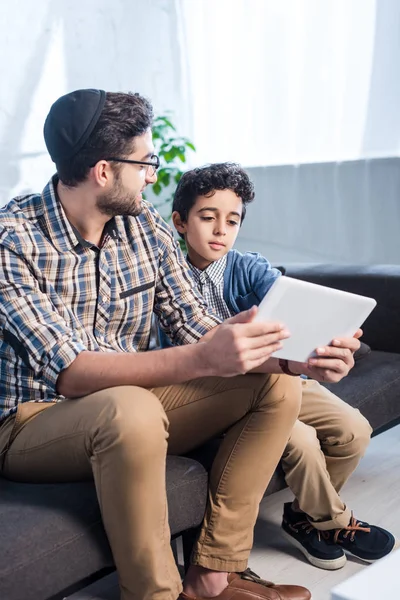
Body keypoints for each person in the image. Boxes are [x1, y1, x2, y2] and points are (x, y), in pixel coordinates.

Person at [0, 89, 317, 600]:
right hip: (32, 420)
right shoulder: (11, 238)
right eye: (146, 162)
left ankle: (210, 576)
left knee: (275, 385)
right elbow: (71, 371)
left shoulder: (143, 225)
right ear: (104, 171)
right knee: (129, 408)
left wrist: (293, 355)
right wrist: (200, 358)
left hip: (129, 403)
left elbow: (194, 322)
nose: (153, 175)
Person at [167, 161, 397, 571]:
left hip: (274, 375)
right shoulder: (166, 275)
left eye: (232, 220)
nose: (221, 230)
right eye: (208, 217)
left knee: (354, 431)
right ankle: (336, 522)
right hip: (216, 391)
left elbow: (288, 299)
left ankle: (303, 519)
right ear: (180, 222)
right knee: (303, 442)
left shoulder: (246, 266)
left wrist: (328, 330)